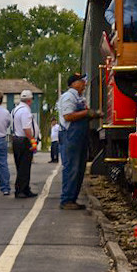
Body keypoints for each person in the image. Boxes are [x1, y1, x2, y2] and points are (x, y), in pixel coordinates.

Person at [58, 74, 100, 210]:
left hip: (79, 136)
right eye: (81, 81)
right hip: (71, 136)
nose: (84, 83)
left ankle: (72, 199)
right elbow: (68, 116)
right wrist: (87, 113)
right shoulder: (69, 97)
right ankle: (66, 200)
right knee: (72, 168)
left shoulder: (79, 97)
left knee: (79, 168)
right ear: (74, 83)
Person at [11, 89, 39, 199]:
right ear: (30, 100)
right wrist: (33, 141)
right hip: (24, 141)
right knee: (24, 167)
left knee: (21, 166)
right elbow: (27, 129)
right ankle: (21, 190)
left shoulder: (15, 109)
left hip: (17, 139)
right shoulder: (25, 111)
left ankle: (25, 188)